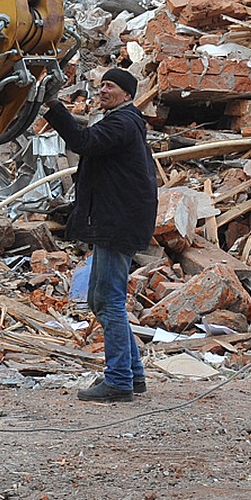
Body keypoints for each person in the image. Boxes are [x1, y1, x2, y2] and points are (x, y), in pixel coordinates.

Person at [42, 67, 158, 403]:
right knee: (100, 299)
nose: (102, 90)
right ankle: (132, 375)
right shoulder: (123, 122)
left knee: (107, 300)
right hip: (117, 221)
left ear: (126, 94)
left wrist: (52, 105)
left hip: (117, 224)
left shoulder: (122, 124)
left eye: (110, 86)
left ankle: (119, 380)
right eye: (101, 84)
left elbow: (84, 143)